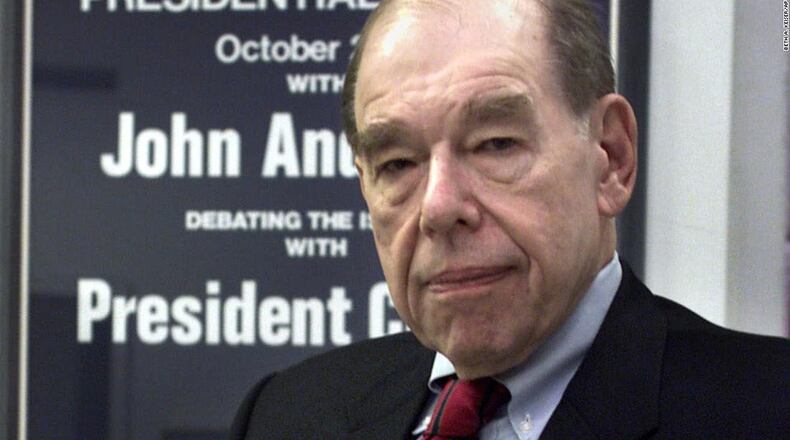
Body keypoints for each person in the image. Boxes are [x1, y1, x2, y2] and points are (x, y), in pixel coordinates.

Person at [230, 0, 790, 438]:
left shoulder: (767, 409)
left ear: (610, 157)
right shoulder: (287, 415)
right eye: (397, 163)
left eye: (495, 143)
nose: (439, 207)